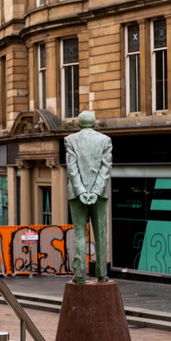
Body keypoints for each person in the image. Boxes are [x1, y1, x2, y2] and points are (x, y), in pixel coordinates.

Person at [64, 111, 112, 284]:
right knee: (100, 233)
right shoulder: (105, 140)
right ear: (94, 122)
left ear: (79, 123)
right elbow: (106, 169)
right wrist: (96, 191)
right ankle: (102, 274)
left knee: (79, 233)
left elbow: (72, 167)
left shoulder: (70, 140)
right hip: (99, 194)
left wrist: (81, 191)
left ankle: (79, 275)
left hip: (77, 195)